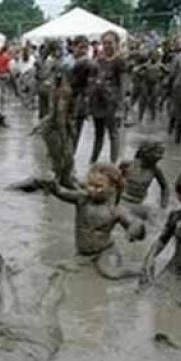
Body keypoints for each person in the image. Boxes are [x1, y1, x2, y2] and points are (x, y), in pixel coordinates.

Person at [42, 163, 146, 279]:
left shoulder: (115, 210)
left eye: (98, 186)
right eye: (89, 185)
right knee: (61, 266)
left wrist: (133, 230)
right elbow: (62, 193)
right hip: (84, 252)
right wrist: (53, 186)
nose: (92, 190)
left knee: (111, 273)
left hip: (105, 250)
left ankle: (141, 270)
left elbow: (134, 223)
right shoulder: (82, 198)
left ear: (113, 187)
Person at [89, 30, 125, 164]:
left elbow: (124, 85)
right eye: (105, 43)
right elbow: (92, 81)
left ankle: (113, 163)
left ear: (117, 44)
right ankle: (92, 162)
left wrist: (121, 107)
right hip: (98, 102)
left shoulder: (120, 62)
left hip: (112, 102)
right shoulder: (97, 61)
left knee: (113, 134)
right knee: (98, 135)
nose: (107, 46)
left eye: (110, 43)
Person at [118, 141, 169, 220]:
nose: (161, 157)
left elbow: (165, 187)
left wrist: (163, 207)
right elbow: (113, 180)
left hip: (139, 203)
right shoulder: (127, 164)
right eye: (158, 153)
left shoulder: (155, 170)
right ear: (147, 152)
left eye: (161, 153)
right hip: (122, 201)